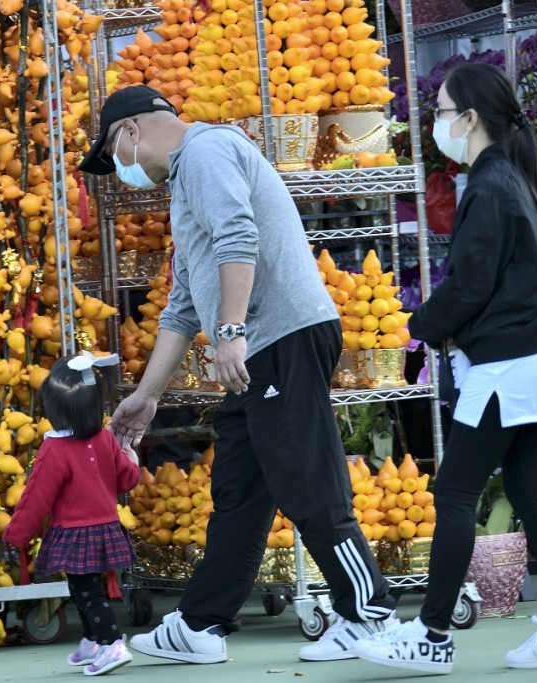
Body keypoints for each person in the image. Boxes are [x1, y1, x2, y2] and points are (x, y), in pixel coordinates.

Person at [79, 84, 396, 664]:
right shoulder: (187, 174)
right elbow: (180, 303)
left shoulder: (205, 151)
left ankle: (368, 614)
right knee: (240, 492)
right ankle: (201, 624)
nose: (121, 170)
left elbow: (238, 236)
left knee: (306, 479)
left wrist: (229, 330)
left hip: (280, 338)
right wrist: (148, 397)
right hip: (264, 342)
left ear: (128, 133)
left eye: (113, 157)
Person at [353, 63, 537, 674]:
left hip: (506, 365)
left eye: (440, 110)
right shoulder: (514, 175)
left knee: (457, 494)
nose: (435, 120)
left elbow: (468, 285)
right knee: (532, 494)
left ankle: (432, 638)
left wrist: (415, 332)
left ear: (469, 118)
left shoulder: (490, 186)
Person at [2, 351, 139, 677]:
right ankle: (93, 639)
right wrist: (131, 459)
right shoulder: (105, 438)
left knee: (89, 592)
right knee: (83, 589)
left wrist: (17, 534)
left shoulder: (54, 449)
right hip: (105, 527)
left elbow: (36, 496)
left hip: (75, 532)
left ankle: (112, 643)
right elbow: (125, 480)